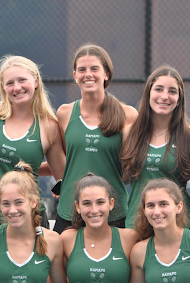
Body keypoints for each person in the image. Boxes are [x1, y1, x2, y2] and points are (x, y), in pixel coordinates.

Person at [120, 65, 190, 283]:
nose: (165, 96)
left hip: (180, 232)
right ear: (148, 93)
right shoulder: (129, 134)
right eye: (159, 89)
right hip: (139, 231)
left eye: (173, 91)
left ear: (180, 98)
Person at [0, 55, 64, 232]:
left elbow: (61, 173)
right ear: (3, 87)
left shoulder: (49, 125)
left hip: (29, 220)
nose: (17, 87)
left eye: (22, 80)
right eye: (10, 83)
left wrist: (51, 186)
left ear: (36, 80)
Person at [54, 44, 138, 234]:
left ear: (106, 74)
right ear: (75, 76)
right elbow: (67, 162)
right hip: (70, 212)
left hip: (113, 214)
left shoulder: (128, 115)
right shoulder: (64, 113)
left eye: (94, 69)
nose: (88, 74)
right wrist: (59, 186)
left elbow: (131, 167)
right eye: (82, 70)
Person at [59, 173, 138, 283]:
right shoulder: (66, 239)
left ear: (111, 204)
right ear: (77, 206)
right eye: (87, 204)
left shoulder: (130, 238)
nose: (94, 210)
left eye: (100, 202)